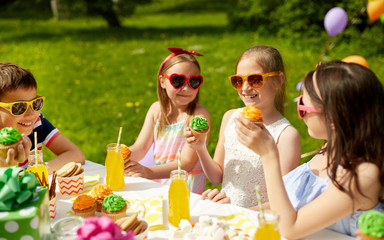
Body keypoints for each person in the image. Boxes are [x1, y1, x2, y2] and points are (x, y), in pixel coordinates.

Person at [235, 61, 384, 238]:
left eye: (302, 107)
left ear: (332, 118)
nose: (299, 111)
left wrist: (268, 154)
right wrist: (231, 210)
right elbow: (292, 205)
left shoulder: (361, 175)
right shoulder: (329, 149)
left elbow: (290, 228)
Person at [185, 45, 301, 208]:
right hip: (228, 215)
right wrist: (201, 148)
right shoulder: (230, 118)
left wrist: (237, 211)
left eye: (255, 79)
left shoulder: (286, 136)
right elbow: (217, 177)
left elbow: (283, 202)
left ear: (278, 81)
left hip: (258, 222)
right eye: (238, 81)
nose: (245, 88)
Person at [124, 47, 210, 194]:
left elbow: (187, 163)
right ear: (162, 81)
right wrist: (123, 155)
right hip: (159, 182)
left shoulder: (198, 116)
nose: (186, 88)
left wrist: (147, 172)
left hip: (185, 188)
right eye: (178, 80)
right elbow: (141, 147)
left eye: (193, 81)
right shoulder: (156, 110)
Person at [0, 62, 85, 173]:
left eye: (35, 103)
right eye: (19, 107)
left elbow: (75, 154)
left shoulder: (37, 122)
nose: (31, 114)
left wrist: (37, 172)